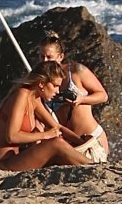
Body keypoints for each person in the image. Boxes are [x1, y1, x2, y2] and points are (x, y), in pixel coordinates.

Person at [0, 61, 98, 173]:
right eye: (55, 86)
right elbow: (12, 136)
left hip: (17, 158)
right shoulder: (21, 95)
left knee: (59, 145)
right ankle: (93, 167)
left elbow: (57, 127)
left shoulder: (34, 99)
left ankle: (92, 166)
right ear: (41, 83)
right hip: (2, 164)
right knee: (56, 143)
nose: (57, 91)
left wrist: (80, 141)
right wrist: (45, 135)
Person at [37, 31, 109, 161]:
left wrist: (82, 99)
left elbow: (103, 96)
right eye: (41, 57)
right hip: (67, 145)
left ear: (60, 57)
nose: (45, 61)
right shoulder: (41, 81)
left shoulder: (76, 71)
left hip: (90, 138)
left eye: (49, 57)